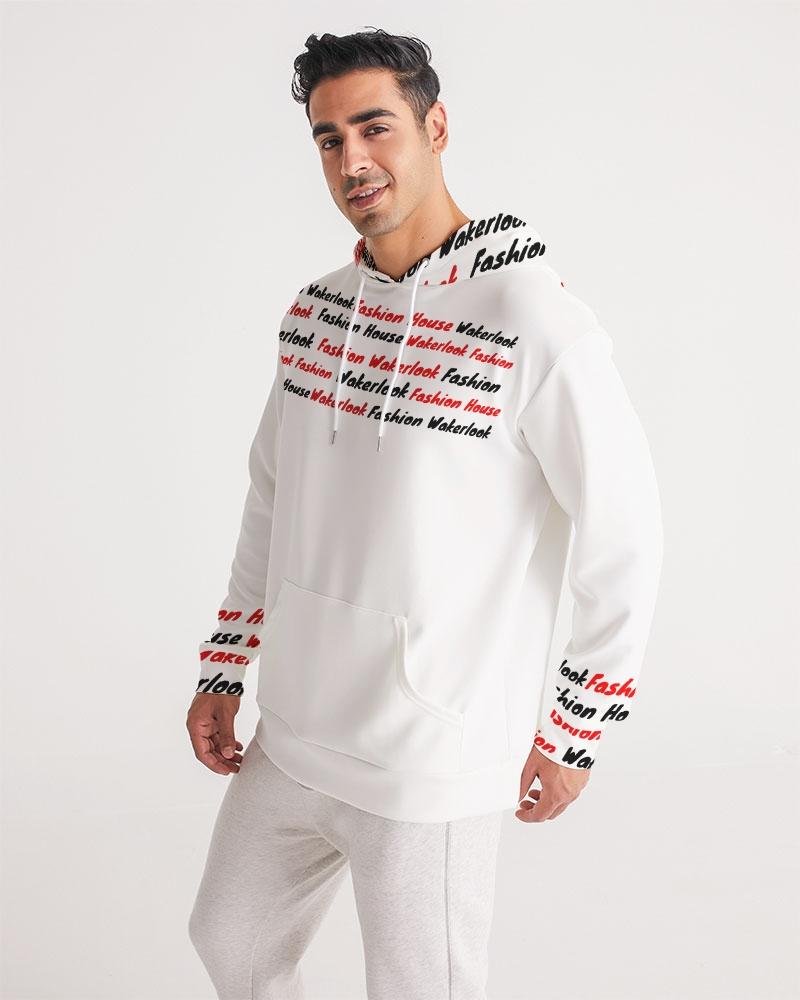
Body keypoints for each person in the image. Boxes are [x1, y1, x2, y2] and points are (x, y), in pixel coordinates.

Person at [186, 26, 664, 1000]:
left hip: (431, 757)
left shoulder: (533, 321)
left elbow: (625, 534)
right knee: (230, 942)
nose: (351, 160)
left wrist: (575, 727)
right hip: (295, 730)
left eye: (375, 128)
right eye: (329, 139)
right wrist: (225, 663)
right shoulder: (317, 314)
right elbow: (270, 499)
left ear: (435, 126)